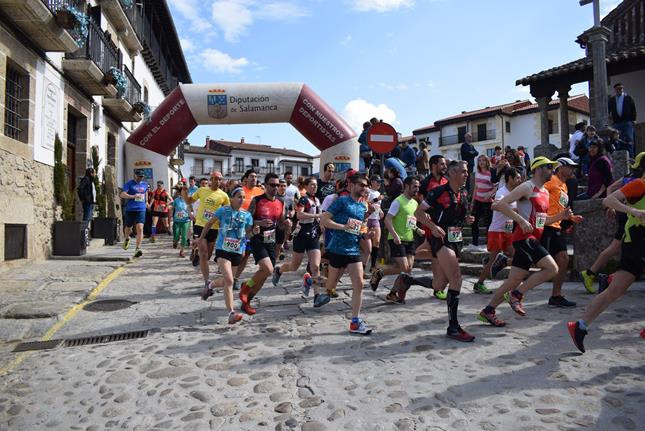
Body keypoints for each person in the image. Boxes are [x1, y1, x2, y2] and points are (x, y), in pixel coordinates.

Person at [478, 157, 569, 327]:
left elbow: (542, 221)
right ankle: (517, 295)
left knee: (513, 280)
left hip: (533, 237)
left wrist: (560, 217)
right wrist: (520, 220)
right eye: (550, 167)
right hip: (523, 238)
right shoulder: (527, 186)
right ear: (538, 169)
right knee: (552, 269)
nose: (553, 170)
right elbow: (500, 204)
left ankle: (488, 311)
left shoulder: (545, 192)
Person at [568, 152, 645, 353]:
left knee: (615, 290)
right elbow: (608, 200)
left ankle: (580, 325)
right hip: (637, 242)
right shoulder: (639, 185)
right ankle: (581, 325)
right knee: (615, 291)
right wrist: (634, 212)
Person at [414, 160, 475, 341]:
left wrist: (467, 219)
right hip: (440, 239)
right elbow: (418, 213)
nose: (467, 174)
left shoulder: (463, 192)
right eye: (463, 172)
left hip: (456, 239)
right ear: (453, 173)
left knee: (439, 284)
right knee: (456, 278)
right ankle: (453, 327)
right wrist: (432, 226)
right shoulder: (437, 192)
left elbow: (459, 215)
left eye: (467, 172)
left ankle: (408, 280)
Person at [320, 173, 374, 335]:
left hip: (353, 250)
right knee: (330, 287)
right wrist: (342, 226)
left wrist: (365, 235)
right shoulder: (342, 201)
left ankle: (355, 322)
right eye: (361, 185)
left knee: (359, 284)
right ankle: (310, 280)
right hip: (337, 248)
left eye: (366, 185)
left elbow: (360, 227)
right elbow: (324, 219)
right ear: (351, 186)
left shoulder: (363, 206)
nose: (364, 188)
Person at [580, 157, 643, 293]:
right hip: (632, 220)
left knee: (616, 249)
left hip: (629, 217)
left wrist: (613, 207)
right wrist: (613, 206)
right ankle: (599, 276)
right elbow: (610, 193)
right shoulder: (637, 181)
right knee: (617, 249)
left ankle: (597, 275)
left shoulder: (629, 177)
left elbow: (611, 188)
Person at [198, 187, 257, 324]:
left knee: (227, 281)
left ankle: (211, 285)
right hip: (222, 249)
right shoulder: (223, 210)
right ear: (232, 198)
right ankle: (231, 313)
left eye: (243, 197)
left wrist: (254, 232)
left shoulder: (247, 215)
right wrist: (201, 238)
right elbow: (209, 223)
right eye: (239, 197)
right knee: (229, 280)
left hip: (237, 251)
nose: (242, 199)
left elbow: (248, 234)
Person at [272, 178, 330, 307]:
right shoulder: (303, 199)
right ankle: (279, 270)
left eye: (316, 185)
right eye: (312, 185)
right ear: (306, 186)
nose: (314, 187)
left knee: (315, 267)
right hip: (301, 235)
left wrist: (322, 224)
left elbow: (320, 215)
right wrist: (316, 217)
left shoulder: (317, 200)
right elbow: (299, 215)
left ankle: (316, 296)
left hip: (313, 236)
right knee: (294, 266)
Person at [239, 173, 292, 315]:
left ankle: (247, 301)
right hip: (257, 238)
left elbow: (280, 223)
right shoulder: (257, 200)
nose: (275, 187)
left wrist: (286, 223)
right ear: (266, 185)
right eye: (272, 185)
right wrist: (259, 223)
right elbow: (247, 220)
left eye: (278, 185)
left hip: (271, 240)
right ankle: (246, 286)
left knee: (264, 275)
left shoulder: (281, 202)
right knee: (268, 270)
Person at [372, 176, 425, 303]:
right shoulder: (398, 201)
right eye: (414, 186)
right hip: (397, 239)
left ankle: (390, 290)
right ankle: (382, 275)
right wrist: (394, 235)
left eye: (418, 186)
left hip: (409, 239)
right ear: (406, 186)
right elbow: (388, 219)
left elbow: (410, 222)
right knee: (404, 268)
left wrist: (418, 230)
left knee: (408, 269)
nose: (417, 189)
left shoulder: (415, 203)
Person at [540, 157, 584, 307]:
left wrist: (571, 217)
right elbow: (536, 195)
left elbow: (560, 207)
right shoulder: (551, 180)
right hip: (545, 225)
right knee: (537, 261)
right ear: (560, 168)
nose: (573, 169)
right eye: (570, 167)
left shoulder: (564, 185)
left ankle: (556, 296)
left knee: (563, 258)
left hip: (556, 226)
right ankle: (505, 261)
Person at [473, 167, 522, 295]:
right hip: (497, 231)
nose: (519, 180)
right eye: (517, 177)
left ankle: (513, 282)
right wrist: (516, 211)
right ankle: (479, 284)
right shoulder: (502, 192)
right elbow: (496, 206)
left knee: (517, 257)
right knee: (493, 259)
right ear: (510, 178)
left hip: (508, 230)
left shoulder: (516, 192)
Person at [181, 171, 230, 291]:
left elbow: (228, 213)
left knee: (207, 256)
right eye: (216, 179)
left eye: (220, 179)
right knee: (203, 253)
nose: (218, 181)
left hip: (213, 227)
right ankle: (206, 281)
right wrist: (184, 191)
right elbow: (188, 201)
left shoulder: (224, 195)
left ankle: (195, 252)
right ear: (211, 179)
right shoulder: (202, 190)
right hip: (200, 225)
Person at [416, 154, 449, 300]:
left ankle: (406, 263)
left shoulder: (446, 181)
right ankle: (437, 288)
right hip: (432, 224)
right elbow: (420, 204)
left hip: (446, 224)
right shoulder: (425, 183)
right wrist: (426, 218)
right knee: (436, 255)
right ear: (434, 165)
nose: (444, 166)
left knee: (435, 252)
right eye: (442, 164)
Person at [232, 169, 265, 289]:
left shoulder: (261, 191)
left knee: (246, 255)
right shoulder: (240, 191)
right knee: (238, 254)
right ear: (246, 178)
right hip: (238, 226)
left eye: (256, 176)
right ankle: (230, 275)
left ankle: (235, 278)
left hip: (253, 227)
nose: (254, 178)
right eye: (251, 176)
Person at [466, 155, 495, 252]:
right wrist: (472, 202)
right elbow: (476, 187)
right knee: (474, 222)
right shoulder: (477, 173)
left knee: (489, 223)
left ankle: (489, 244)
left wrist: (490, 194)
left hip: (488, 202)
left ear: (487, 162)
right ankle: (475, 243)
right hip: (478, 201)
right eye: (479, 161)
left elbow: (497, 186)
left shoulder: (491, 173)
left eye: (483, 160)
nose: (481, 162)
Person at [120, 170, 148, 258]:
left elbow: (145, 193)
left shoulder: (145, 185)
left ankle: (137, 248)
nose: (141, 178)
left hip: (141, 209)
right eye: (139, 176)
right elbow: (122, 194)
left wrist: (146, 202)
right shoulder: (129, 184)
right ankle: (127, 238)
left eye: (142, 176)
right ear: (135, 176)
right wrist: (133, 196)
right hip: (131, 209)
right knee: (128, 227)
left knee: (140, 228)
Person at [608, 82, 637, 155]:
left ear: (622, 89)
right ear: (615, 90)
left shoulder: (628, 97)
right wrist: (608, 119)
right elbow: (608, 109)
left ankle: (631, 158)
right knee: (616, 140)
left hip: (627, 122)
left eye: (621, 88)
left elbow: (633, 109)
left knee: (629, 140)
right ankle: (619, 157)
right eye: (617, 89)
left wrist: (633, 120)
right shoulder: (612, 99)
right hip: (617, 123)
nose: (619, 90)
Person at [366, 175, 383, 273]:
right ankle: (363, 265)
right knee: (367, 244)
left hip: (375, 219)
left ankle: (373, 266)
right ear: (372, 182)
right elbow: (366, 203)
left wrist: (380, 210)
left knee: (376, 242)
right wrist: (377, 199)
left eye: (380, 182)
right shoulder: (368, 191)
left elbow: (377, 205)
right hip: (367, 219)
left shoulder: (378, 193)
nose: (379, 183)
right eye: (377, 181)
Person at [170, 183, 191, 258]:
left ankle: (182, 251)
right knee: (176, 235)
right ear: (180, 192)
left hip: (186, 220)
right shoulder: (176, 200)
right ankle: (175, 241)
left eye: (186, 191)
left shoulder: (189, 200)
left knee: (184, 236)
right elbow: (172, 209)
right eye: (183, 191)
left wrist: (191, 214)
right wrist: (170, 217)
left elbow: (191, 209)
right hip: (177, 221)